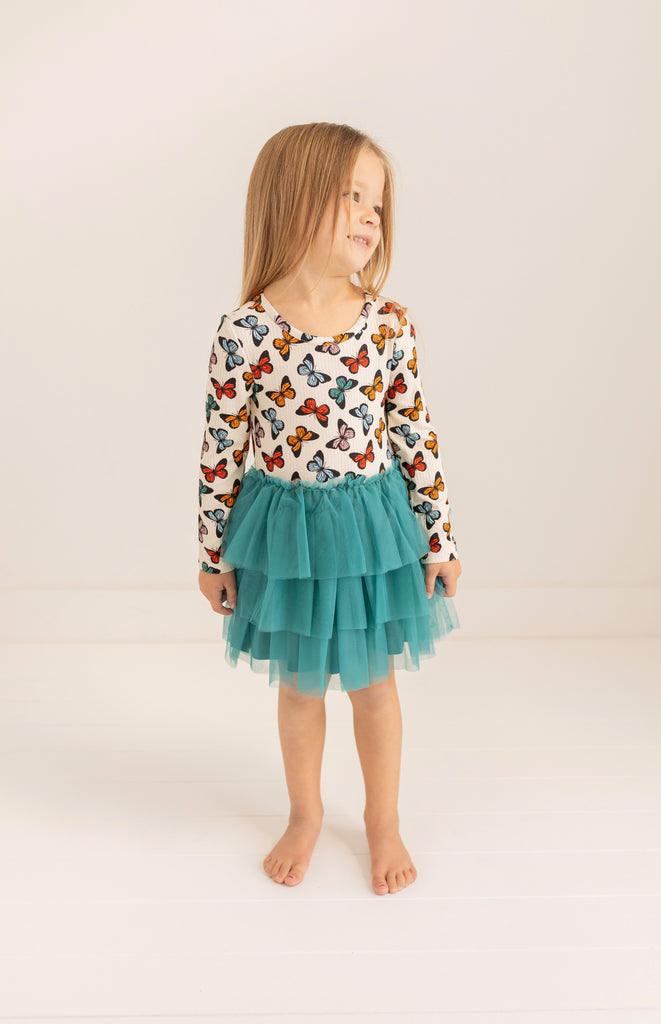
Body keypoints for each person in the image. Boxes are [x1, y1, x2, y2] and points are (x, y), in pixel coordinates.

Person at [197, 122, 463, 896]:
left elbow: (415, 434)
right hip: (285, 539)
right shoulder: (245, 331)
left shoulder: (387, 326)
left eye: (376, 203)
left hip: (372, 533)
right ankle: (304, 812)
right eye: (352, 196)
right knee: (300, 687)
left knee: (374, 686)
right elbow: (220, 448)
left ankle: (383, 819)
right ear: (293, 201)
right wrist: (211, 555)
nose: (369, 215)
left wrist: (439, 538)